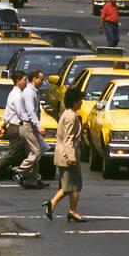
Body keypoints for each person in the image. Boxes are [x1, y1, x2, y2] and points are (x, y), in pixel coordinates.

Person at [43, 87, 86, 223]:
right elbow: (68, 139)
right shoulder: (71, 116)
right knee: (72, 185)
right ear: (74, 101)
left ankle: (65, 208)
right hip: (67, 155)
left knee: (71, 185)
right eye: (80, 100)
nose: (81, 103)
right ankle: (65, 208)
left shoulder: (67, 114)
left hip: (64, 153)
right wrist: (71, 157)